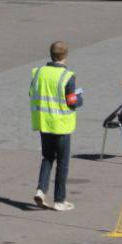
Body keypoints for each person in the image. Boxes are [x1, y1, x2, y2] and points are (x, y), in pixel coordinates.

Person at [30, 41, 82, 211]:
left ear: (51, 55)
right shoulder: (67, 76)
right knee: (62, 162)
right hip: (61, 125)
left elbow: (32, 93)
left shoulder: (38, 72)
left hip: (44, 122)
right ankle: (59, 200)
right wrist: (80, 98)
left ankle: (41, 190)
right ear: (65, 56)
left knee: (47, 157)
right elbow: (71, 102)